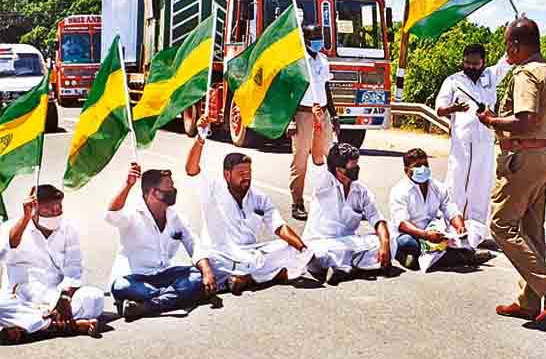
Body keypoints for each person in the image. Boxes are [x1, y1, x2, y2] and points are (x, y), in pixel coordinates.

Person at [476, 17, 546, 323]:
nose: (506, 49)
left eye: (508, 43)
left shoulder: (527, 74)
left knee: (501, 225)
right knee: (531, 230)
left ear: (516, 45)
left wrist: (492, 121)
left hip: (524, 158)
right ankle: (529, 300)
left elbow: (525, 119)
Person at [186, 116, 314, 295]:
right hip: (222, 254)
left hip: (250, 253)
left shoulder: (258, 197)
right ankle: (267, 275)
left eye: (249, 172)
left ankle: (247, 278)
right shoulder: (213, 188)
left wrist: (303, 248)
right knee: (218, 260)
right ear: (227, 174)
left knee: (289, 248)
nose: (246, 177)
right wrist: (200, 137)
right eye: (241, 173)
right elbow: (191, 169)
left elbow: (279, 227)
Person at [105, 164, 217, 320]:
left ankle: (147, 306)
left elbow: (193, 243)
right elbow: (111, 215)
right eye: (169, 189)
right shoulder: (132, 214)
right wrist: (128, 185)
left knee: (195, 276)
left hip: (164, 274)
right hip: (136, 278)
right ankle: (173, 297)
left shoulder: (175, 217)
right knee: (121, 287)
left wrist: (207, 271)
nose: (173, 192)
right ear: (153, 192)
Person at [0, 185, 103, 342]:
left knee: (93, 297)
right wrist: (25, 218)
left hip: (55, 296)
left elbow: (74, 270)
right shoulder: (12, 227)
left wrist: (64, 298)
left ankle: (31, 328)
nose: (56, 211)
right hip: (20, 300)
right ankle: (61, 325)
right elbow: (3, 253)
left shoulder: (68, 229)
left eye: (59, 206)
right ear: (33, 209)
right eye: (49, 208)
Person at [435, 44, 510, 247]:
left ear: (483, 62)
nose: (470, 66)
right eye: (467, 62)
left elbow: (507, 61)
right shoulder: (453, 81)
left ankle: (477, 231)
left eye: (475, 63)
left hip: (485, 139)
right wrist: (454, 108)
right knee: (456, 181)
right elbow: (439, 110)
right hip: (461, 141)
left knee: (481, 184)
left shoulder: (491, 76)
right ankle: (452, 226)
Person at [389, 148, 495, 272]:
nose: (423, 168)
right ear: (407, 171)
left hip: (435, 233)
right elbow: (402, 224)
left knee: (474, 227)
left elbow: (450, 209)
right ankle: (464, 256)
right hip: (414, 235)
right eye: (417, 166)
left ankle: (425, 259)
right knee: (408, 243)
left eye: (425, 164)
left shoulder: (437, 187)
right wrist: (426, 236)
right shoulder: (399, 191)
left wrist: (460, 227)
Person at [303, 143, 392, 285]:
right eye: (352, 167)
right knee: (319, 253)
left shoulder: (360, 190)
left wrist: (385, 244)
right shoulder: (324, 183)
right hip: (321, 243)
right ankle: (356, 266)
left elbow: (377, 219)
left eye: (357, 165)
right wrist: (319, 125)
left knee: (389, 239)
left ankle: (344, 268)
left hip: (348, 242)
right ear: (338, 170)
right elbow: (317, 156)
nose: (356, 169)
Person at [288, 23, 340, 220]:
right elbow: (291, 93)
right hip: (303, 113)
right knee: (300, 159)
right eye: (315, 37)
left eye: (321, 37)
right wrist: (292, 120)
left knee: (329, 157)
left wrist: (334, 116)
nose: (319, 41)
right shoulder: (299, 62)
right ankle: (297, 202)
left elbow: (327, 88)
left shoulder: (324, 60)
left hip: (323, 112)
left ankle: (333, 198)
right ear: (307, 40)